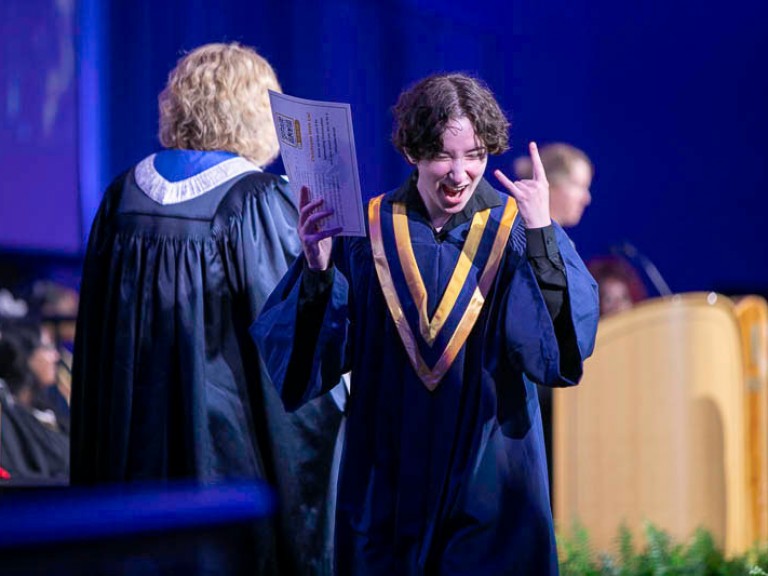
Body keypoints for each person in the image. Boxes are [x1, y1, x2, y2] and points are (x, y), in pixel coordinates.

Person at [253, 73, 599, 574]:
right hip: (388, 484)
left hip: (489, 480)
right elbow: (309, 361)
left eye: (475, 155)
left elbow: (556, 353)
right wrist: (317, 269)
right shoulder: (365, 231)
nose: (459, 173)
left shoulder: (518, 230)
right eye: (444, 155)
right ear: (413, 151)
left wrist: (544, 234)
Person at [71, 42, 341, 574]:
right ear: (258, 112)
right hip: (224, 472)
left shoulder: (122, 195)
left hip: (127, 466)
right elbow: (291, 353)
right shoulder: (259, 200)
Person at [514, 142, 593, 227]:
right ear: (548, 183)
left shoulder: (559, 239)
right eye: (579, 186)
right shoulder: (511, 232)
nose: (587, 199)